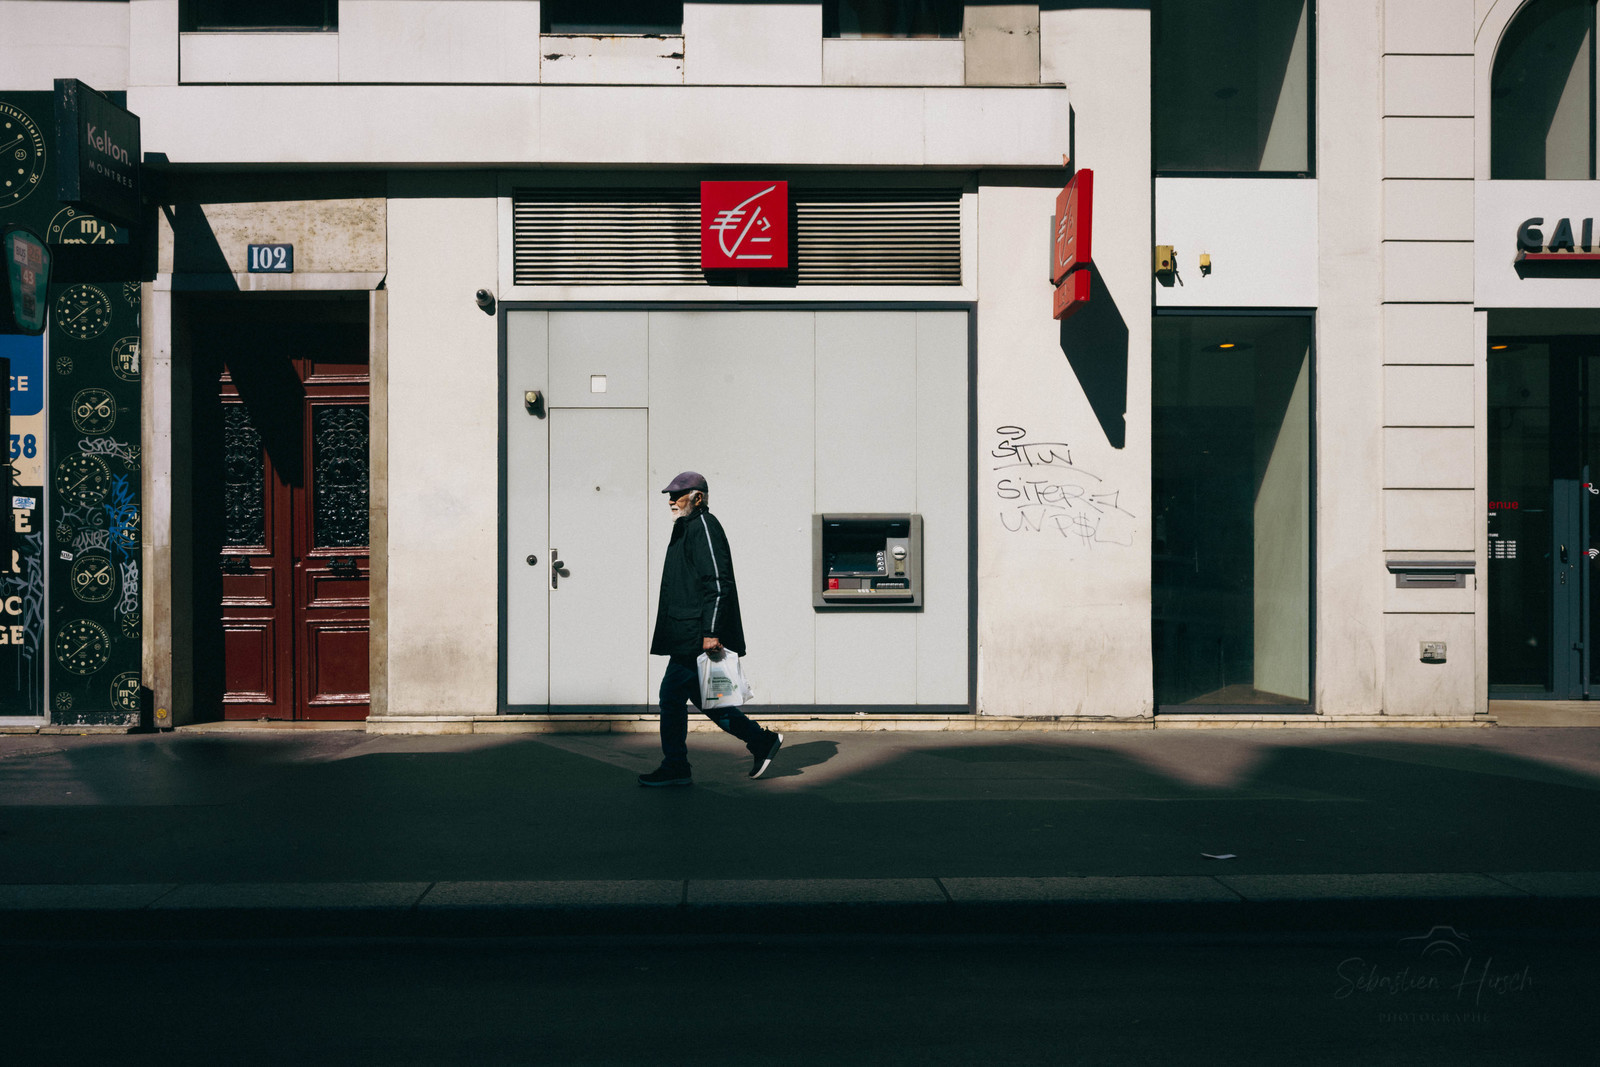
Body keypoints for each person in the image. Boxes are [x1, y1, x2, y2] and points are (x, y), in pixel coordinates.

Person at [639, 471, 783, 787]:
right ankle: (761, 741)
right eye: (669, 495)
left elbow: (718, 582)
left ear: (698, 497)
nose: (671, 501)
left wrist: (712, 631)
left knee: (670, 697)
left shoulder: (703, 525)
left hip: (695, 634)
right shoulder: (686, 527)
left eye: (677, 495)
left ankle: (676, 766)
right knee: (706, 699)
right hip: (688, 630)